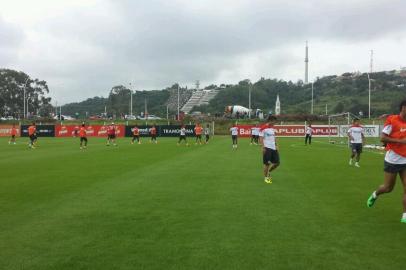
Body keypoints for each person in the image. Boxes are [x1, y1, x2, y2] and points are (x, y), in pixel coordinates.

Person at [367, 100, 406, 224]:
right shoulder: (392, 120)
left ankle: (405, 214)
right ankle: (375, 194)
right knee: (388, 188)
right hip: (393, 159)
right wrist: (400, 141)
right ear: (403, 108)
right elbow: (382, 138)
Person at [259, 115, 280, 184]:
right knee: (267, 164)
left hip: (274, 148)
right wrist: (263, 147)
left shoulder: (273, 128)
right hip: (267, 148)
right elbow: (261, 138)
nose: (275, 123)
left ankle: (269, 172)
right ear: (270, 121)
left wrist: (277, 145)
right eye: (274, 121)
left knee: (277, 163)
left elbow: (275, 137)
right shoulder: (263, 128)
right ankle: (266, 178)